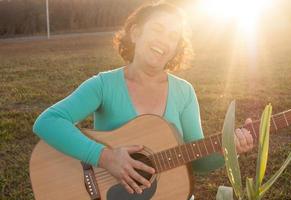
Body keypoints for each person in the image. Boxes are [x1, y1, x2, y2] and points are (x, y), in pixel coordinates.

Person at [33, 2, 253, 197]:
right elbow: (47, 122)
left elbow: (197, 161)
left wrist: (228, 148)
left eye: (173, 36)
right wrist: (105, 157)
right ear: (136, 33)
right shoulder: (103, 85)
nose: (164, 41)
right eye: (158, 29)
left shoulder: (184, 92)